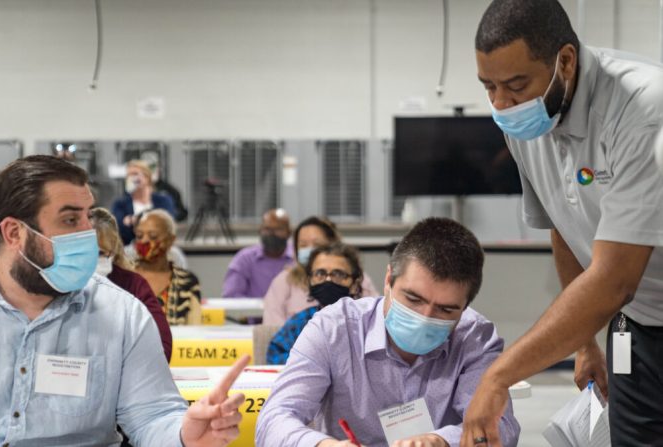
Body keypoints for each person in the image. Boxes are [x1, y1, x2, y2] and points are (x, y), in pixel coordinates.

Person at [0, 155, 248, 446]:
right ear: (15, 232)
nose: (89, 233)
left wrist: (184, 435)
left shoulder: (122, 315)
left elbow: (151, 417)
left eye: (89, 217)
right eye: (70, 221)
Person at [463, 1, 663, 446]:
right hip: (638, 325)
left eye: (515, 84)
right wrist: (585, 342)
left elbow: (614, 280)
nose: (501, 104)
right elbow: (564, 224)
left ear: (565, 61)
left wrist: (498, 377)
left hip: (629, 293)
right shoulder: (524, 123)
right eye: (488, 86)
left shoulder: (643, 107)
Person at [256, 218, 520, 447]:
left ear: (465, 306)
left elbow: (502, 428)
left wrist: (440, 441)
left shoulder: (475, 337)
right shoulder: (333, 328)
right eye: (413, 299)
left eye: (445, 310)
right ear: (388, 279)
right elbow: (273, 420)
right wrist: (321, 444)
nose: (424, 318)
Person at [90, 206, 173, 361]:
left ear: (113, 251)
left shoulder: (133, 285)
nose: (90, 260)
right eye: (85, 253)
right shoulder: (59, 284)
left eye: (101, 253)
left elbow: (162, 348)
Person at [262, 216, 378, 326]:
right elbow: (273, 329)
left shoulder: (358, 279)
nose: (310, 250)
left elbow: (375, 318)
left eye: (317, 244)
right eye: (303, 245)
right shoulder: (284, 281)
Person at [266, 242, 364, 365]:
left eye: (338, 274)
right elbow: (275, 353)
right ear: (309, 281)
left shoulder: (366, 323)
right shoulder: (301, 321)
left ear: (354, 284)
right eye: (320, 274)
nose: (328, 280)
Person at [133, 209, 202, 325]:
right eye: (139, 236)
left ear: (170, 240)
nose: (144, 240)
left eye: (153, 236)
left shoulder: (187, 281)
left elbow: (195, 329)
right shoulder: (122, 277)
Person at [222, 209, 293, 298]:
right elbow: (231, 295)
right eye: (267, 229)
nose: (272, 234)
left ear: (289, 233)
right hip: (252, 311)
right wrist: (258, 306)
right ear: (260, 231)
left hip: (293, 311)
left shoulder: (298, 258)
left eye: (278, 229)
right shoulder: (245, 258)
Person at [112, 160, 177, 245]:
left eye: (135, 174)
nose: (131, 178)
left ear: (147, 177)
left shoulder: (164, 200)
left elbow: (166, 223)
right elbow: (119, 229)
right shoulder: (120, 204)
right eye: (128, 175)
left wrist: (133, 220)